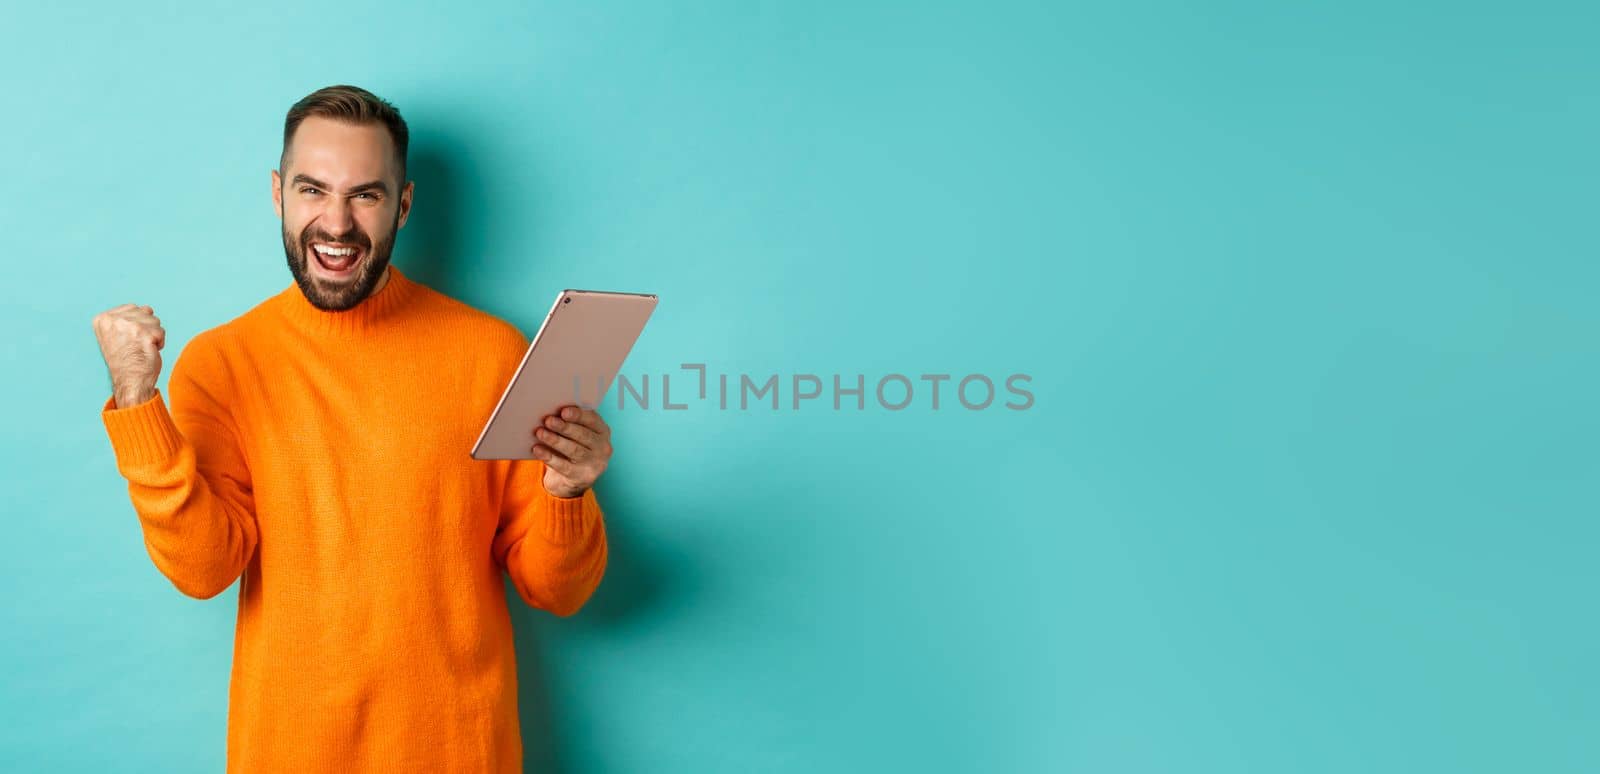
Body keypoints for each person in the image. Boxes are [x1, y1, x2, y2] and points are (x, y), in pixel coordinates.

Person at [90, 84, 611, 773]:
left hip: (462, 754)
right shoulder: (223, 364)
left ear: (404, 204)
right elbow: (204, 570)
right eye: (313, 190)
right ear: (278, 193)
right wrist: (137, 403)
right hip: (289, 753)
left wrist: (568, 492)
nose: (335, 223)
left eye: (365, 195)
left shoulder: (493, 354)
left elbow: (559, 591)